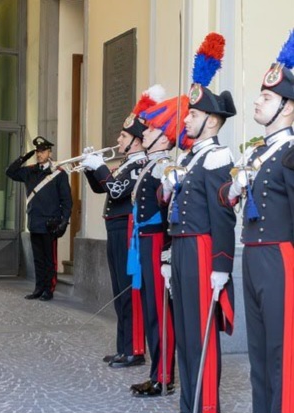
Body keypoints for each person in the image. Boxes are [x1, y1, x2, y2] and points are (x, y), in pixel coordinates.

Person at [218, 31, 294, 413]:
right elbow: (228, 199)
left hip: (281, 257)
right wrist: (233, 190)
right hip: (252, 255)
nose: (258, 102)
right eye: (260, 95)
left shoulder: (290, 154)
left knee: (282, 350)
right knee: (259, 350)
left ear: (289, 107)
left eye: (267, 97)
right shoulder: (260, 153)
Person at [160, 32, 236, 413]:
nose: (185, 119)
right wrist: (170, 254)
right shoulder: (189, 160)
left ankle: (206, 406)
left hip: (206, 251)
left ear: (211, 120)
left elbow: (224, 217)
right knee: (186, 334)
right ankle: (188, 403)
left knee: (202, 332)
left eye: (191, 114)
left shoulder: (218, 158)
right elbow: (175, 212)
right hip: (184, 248)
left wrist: (222, 266)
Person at [80, 87, 159, 368]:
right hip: (115, 231)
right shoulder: (127, 163)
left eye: (123, 136)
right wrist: (91, 169)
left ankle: (134, 349)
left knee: (128, 292)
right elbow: (104, 189)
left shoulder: (141, 165)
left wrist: (100, 167)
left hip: (127, 231)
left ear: (137, 142)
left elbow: (116, 190)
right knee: (119, 291)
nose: (118, 139)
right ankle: (124, 346)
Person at [126, 93, 188, 396]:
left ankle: (164, 376)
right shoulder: (151, 164)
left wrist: (167, 252)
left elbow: (170, 212)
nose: (144, 134)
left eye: (150, 130)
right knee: (151, 310)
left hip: (156, 244)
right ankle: (157, 372)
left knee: (160, 312)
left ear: (164, 140)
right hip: (144, 243)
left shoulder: (165, 167)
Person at [6, 136, 72, 301]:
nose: (39, 154)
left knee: (50, 260)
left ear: (49, 152)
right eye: (37, 151)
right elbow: (10, 172)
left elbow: (67, 201)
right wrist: (24, 157)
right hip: (35, 222)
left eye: (42, 151)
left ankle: (49, 289)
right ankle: (39, 288)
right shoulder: (30, 171)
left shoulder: (59, 174)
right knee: (38, 259)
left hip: (50, 223)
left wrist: (64, 222)